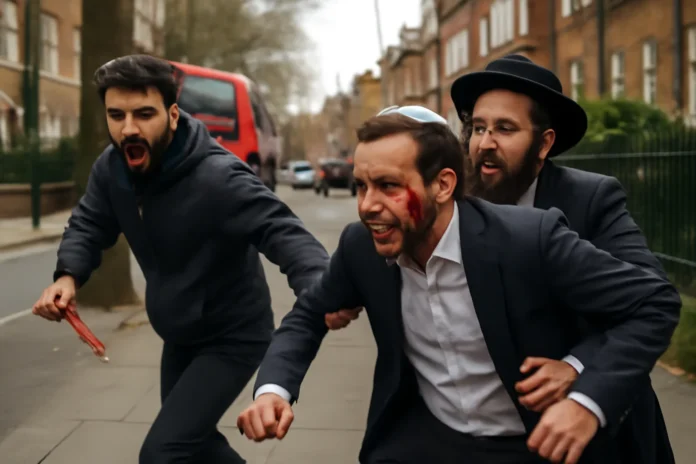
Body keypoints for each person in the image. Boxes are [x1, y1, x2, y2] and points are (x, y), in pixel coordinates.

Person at [236, 105, 682, 464]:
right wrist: (273, 391)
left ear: (443, 185)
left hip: (534, 442)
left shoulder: (528, 240)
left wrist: (587, 400)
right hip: (425, 442)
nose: (368, 205)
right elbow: (309, 314)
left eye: (388, 186)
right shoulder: (361, 247)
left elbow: (654, 303)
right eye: (361, 186)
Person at [31, 54, 336, 464]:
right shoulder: (112, 169)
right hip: (179, 334)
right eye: (116, 115)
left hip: (233, 336)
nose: (128, 128)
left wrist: (324, 291)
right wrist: (67, 277)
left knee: (163, 452)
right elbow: (89, 221)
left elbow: (283, 231)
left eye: (144, 114)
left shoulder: (217, 176)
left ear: (173, 115)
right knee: (193, 444)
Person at [450, 54, 674, 464]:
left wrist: (577, 366)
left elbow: (652, 298)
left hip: (593, 437)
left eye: (505, 128)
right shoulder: (456, 203)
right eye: (478, 128)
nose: (485, 143)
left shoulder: (590, 198)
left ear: (545, 143)